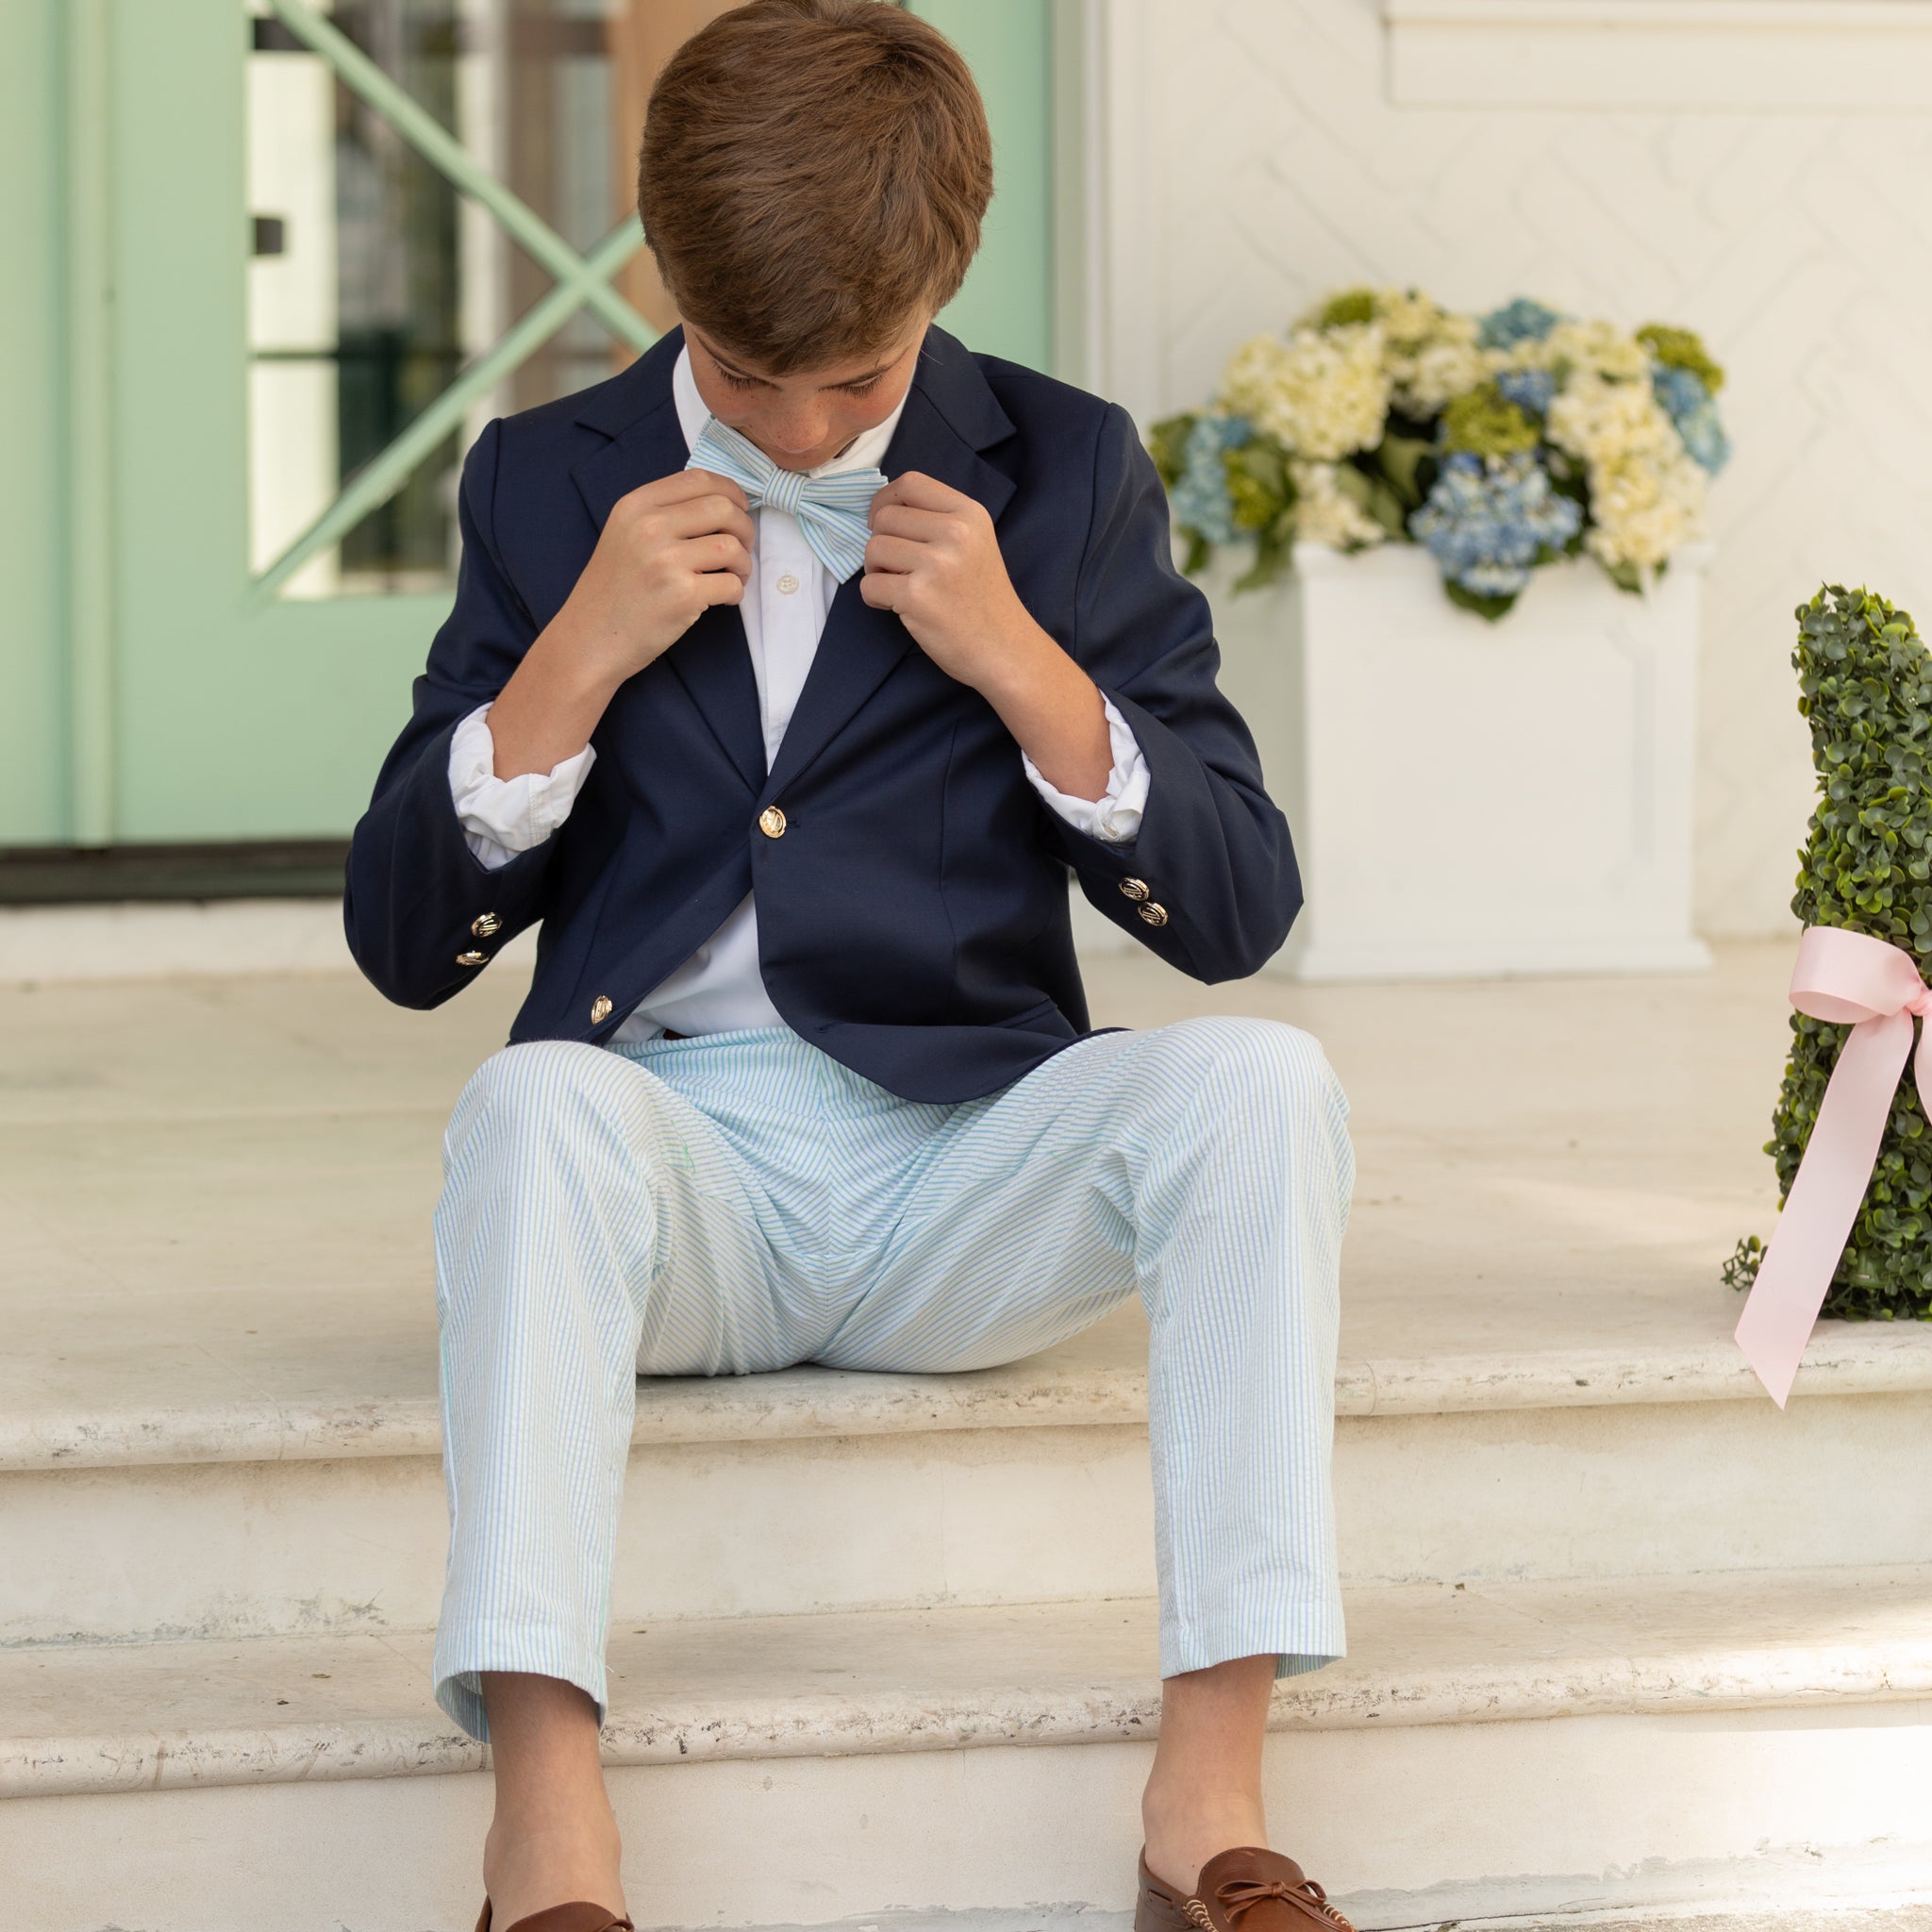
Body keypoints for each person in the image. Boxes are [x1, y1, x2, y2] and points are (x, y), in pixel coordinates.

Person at [345, 6, 1357, 1931]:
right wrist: (572, 658)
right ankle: (546, 1834)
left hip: (961, 1169)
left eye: (859, 381)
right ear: (662, 272)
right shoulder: (541, 479)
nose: (803, 433)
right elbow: (402, 941)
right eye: (747, 379)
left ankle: (1206, 1810)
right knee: (528, 1102)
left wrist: (1023, 661)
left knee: (1263, 1079)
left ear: (944, 281)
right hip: (670, 1184)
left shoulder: (1066, 467)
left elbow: (1238, 911)